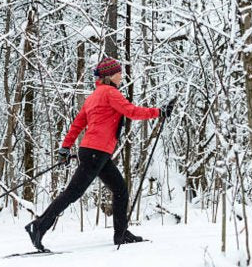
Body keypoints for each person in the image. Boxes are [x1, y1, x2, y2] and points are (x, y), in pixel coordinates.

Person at [25, 57, 175, 251]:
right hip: (96, 152)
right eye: (119, 73)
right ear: (110, 75)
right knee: (73, 192)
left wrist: (65, 147)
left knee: (120, 189)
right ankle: (38, 226)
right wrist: (159, 112)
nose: (121, 76)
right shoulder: (110, 93)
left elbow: (78, 123)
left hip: (95, 152)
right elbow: (131, 112)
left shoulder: (94, 96)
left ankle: (121, 234)